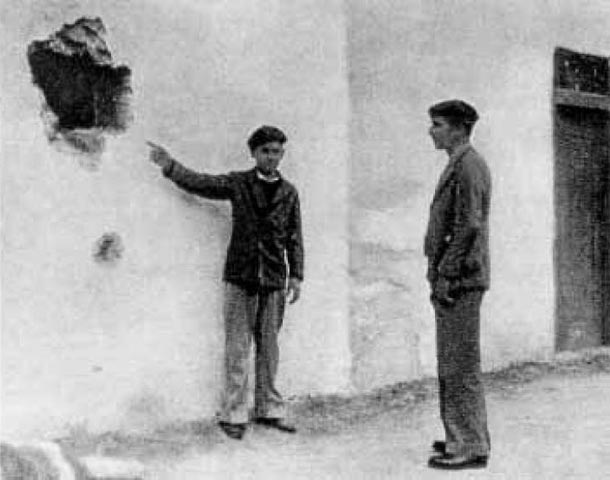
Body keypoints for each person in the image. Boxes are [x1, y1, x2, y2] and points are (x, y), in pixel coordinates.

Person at [148, 125, 303, 440]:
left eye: (276, 151)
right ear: (254, 153)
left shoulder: (290, 193)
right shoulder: (238, 183)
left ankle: (269, 410)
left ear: (282, 154)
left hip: (273, 279)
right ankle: (233, 413)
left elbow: (294, 237)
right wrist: (170, 166)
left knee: (270, 349)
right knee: (237, 348)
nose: (271, 157)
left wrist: (297, 275)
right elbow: (201, 183)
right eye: (265, 151)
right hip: (240, 277)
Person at [424, 100, 491, 470]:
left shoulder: (468, 166)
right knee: (453, 362)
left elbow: (470, 225)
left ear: (458, 128)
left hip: (461, 280)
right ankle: (461, 435)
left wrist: (447, 273)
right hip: (456, 277)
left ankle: (468, 444)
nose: (431, 131)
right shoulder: (460, 163)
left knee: (459, 365)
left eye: (437, 124)